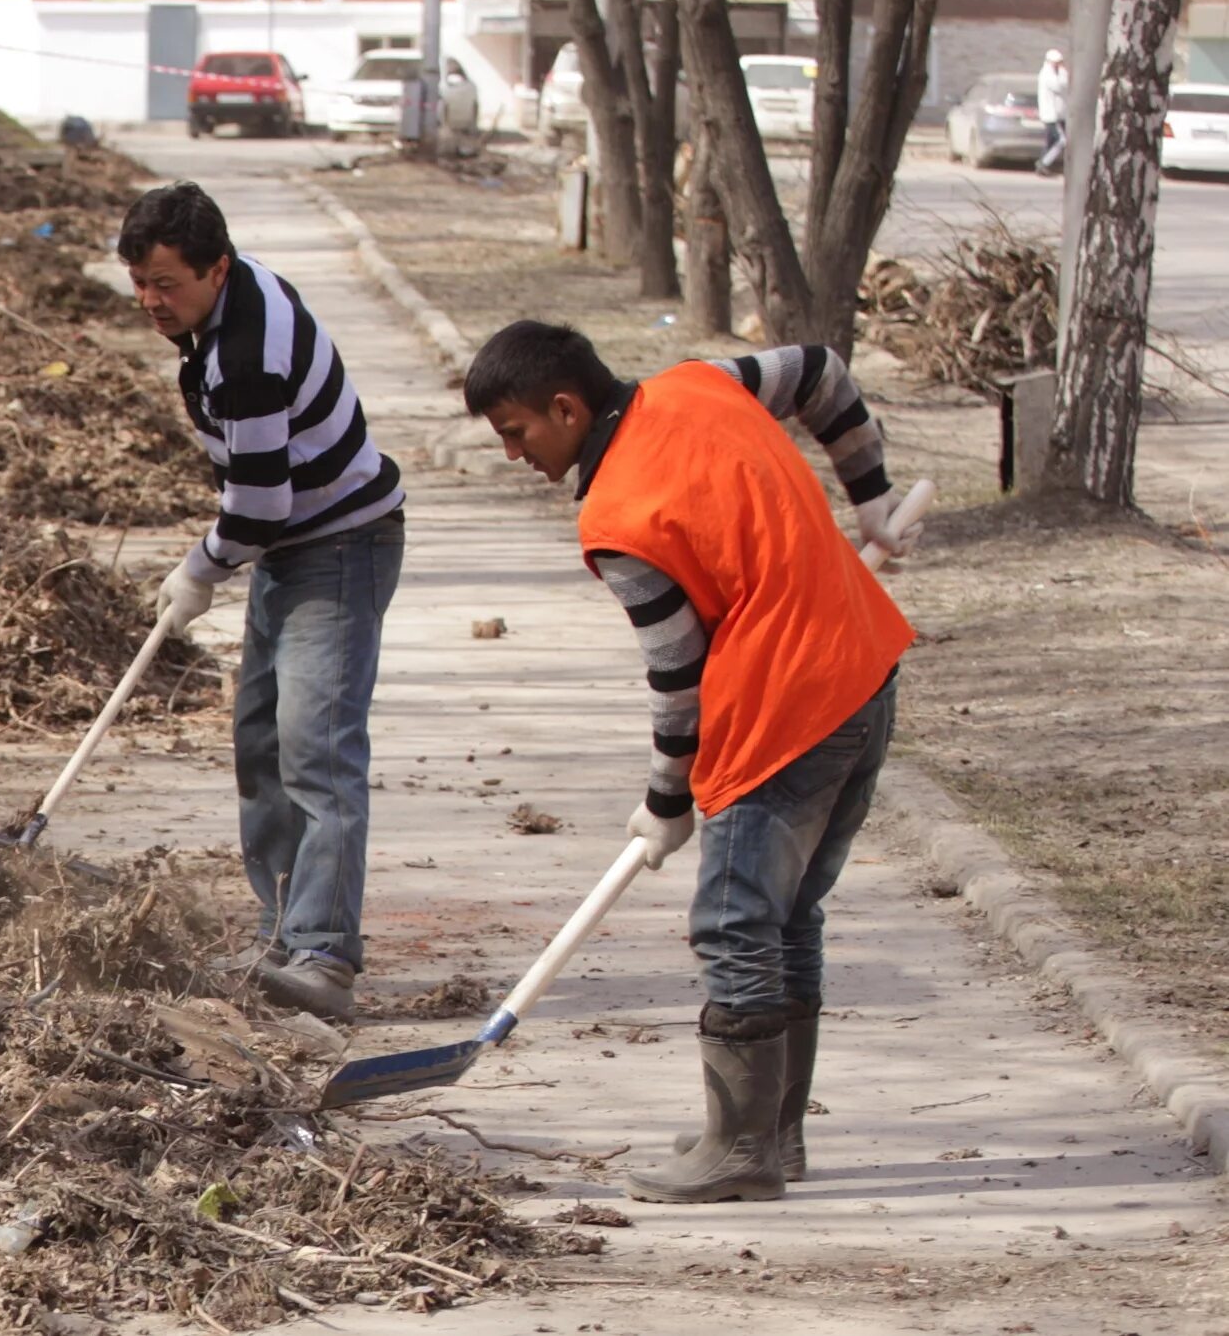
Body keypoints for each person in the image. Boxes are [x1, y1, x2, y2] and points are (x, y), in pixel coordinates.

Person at [463, 323, 918, 1204]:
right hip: (864, 671)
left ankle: (741, 1149)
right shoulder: (703, 382)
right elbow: (821, 371)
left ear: (566, 407)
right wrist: (871, 495)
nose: (514, 454)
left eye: (517, 433)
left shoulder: (620, 517)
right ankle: (768, 1134)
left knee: (735, 922)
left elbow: (678, 679)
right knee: (789, 917)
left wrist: (665, 799)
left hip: (785, 715)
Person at [118, 182, 405, 1022]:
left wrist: (201, 567)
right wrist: (223, 555)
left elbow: (257, 508)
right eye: (138, 283)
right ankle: (282, 932)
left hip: (342, 544)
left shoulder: (246, 352)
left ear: (217, 267)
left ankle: (323, 956)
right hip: (292, 545)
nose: (149, 302)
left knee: (316, 748)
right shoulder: (218, 313)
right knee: (261, 738)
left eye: (165, 284)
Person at [1036, 48, 1069, 175]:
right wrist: (1062, 71)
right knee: (1062, 140)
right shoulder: (1046, 74)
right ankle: (1043, 163)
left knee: (1050, 142)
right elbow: (1060, 86)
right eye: (1056, 62)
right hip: (1051, 115)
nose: (1058, 65)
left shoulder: (1057, 74)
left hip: (1060, 115)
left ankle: (1044, 165)